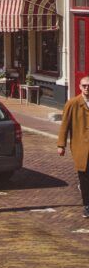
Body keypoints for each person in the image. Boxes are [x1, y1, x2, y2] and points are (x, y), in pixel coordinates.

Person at [58, 78, 89, 218]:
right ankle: (87, 205)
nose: (87, 88)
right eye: (84, 86)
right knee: (84, 178)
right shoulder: (73, 103)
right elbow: (64, 125)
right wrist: (61, 145)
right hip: (81, 147)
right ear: (79, 86)